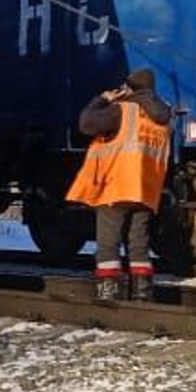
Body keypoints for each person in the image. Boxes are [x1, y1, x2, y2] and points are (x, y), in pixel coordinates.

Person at [66, 66, 173, 302]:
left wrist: (101, 100)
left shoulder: (122, 110)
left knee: (109, 241)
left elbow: (86, 124)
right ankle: (142, 293)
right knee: (138, 242)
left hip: (117, 185)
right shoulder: (163, 119)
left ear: (129, 88)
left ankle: (109, 293)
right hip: (146, 190)